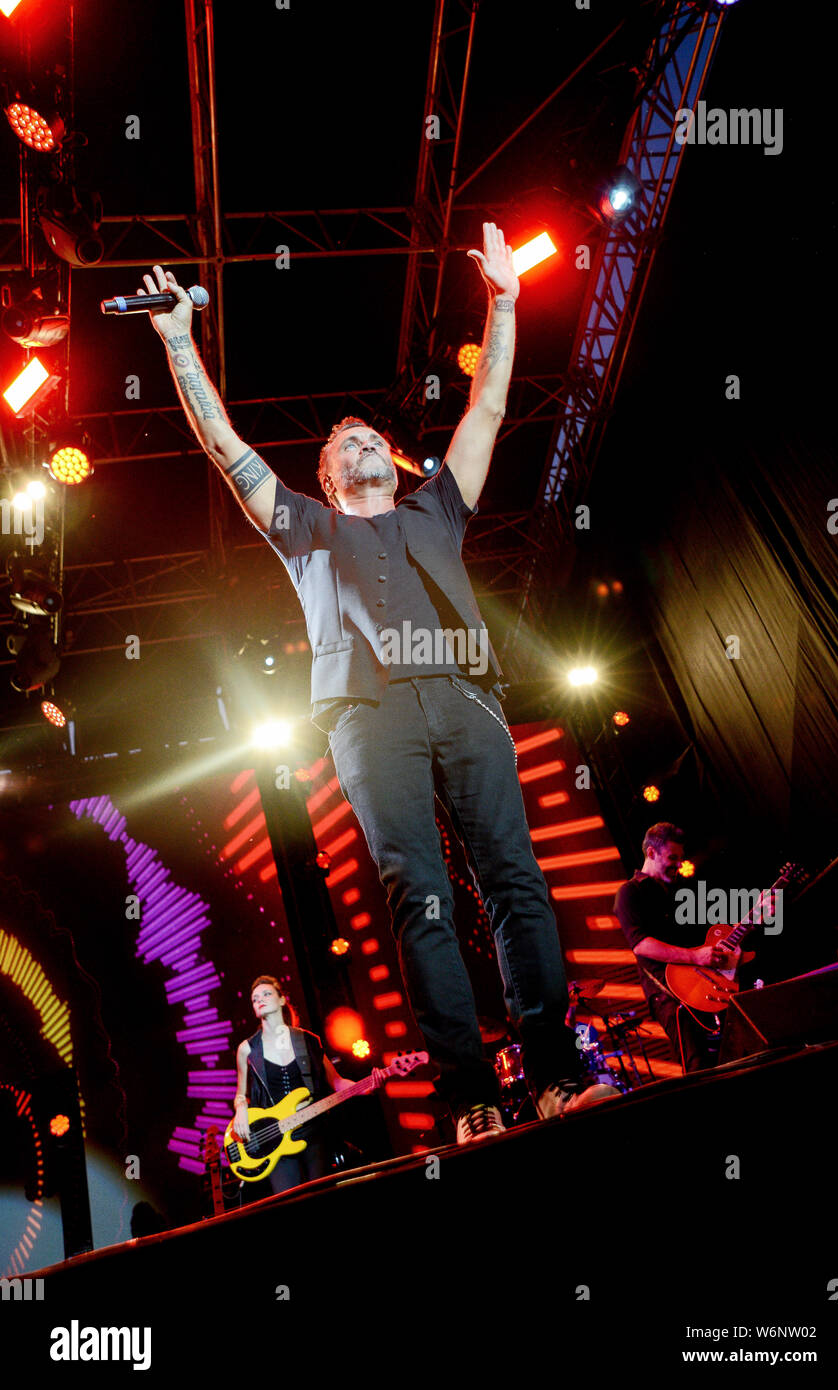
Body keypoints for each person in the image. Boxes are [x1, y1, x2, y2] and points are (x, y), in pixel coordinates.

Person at [141, 223, 592, 1143]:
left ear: (392, 458)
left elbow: (490, 409)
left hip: (464, 697)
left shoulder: (437, 504)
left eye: (371, 435)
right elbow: (227, 450)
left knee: (512, 877)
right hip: (366, 713)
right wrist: (180, 342)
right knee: (417, 891)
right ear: (327, 473)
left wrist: (504, 303)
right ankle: (469, 1098)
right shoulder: (305, 528)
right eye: (345, 442)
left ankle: (551, 1075)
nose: (361, 442)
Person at [233, 975, 381, 1199]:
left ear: (282, 1000)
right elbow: (240, 1095)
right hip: (275, 1138)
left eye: (266, 994)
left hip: (314, 1133)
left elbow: (337, 1082)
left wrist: (367, 1085)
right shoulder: (247, 1049)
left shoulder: (308, 1041)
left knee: (319, 1199)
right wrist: (241, 1109)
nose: (259, 1000)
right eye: (254, 999)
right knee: (288, 1203)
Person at [614, 823, 739, 1072]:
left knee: (733, 1054)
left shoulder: (679, 891)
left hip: (703, 986)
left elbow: (709, 937)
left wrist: (753, 917)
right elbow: (640, 945)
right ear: (651, 853)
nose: (678, 864)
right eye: (672, 857)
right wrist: (695, 956)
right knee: (698, 1066)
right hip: (670, 995)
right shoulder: (630, 892)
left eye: (681, 859)